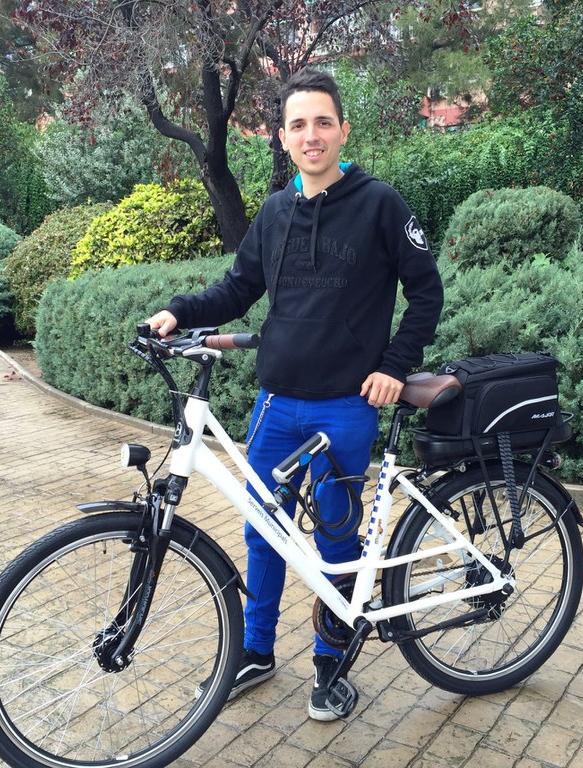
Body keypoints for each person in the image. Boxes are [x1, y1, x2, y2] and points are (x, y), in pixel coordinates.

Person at [145, 68, 443, 721]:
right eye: (298, 125)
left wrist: (395, 366)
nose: (312, 136)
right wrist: (178, 311)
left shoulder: (380, 204)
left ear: (343, 130)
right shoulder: (276, 212)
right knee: (263, 533)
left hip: (346, 407)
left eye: (322, 123)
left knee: (336, 543)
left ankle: (331, 663)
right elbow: (237, 289)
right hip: (277, 404)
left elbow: (427, 292)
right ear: (282, 137)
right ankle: (256, 651)